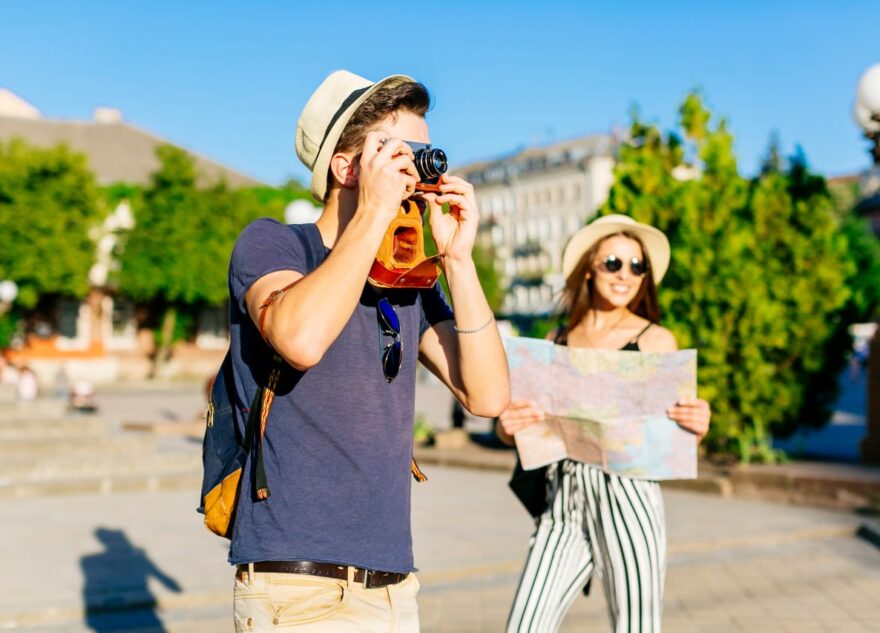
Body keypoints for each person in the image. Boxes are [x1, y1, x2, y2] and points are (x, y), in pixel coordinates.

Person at [226, 70, 510, 632]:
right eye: (395, 151)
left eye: (421, 153)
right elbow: (300, 340)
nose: (414, 167)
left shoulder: (407, 279)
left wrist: (458, 261)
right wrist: (376, 213)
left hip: (391, 587)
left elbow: (489, 394)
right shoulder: (277, 244)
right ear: (345, 166)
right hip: (298, 587)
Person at [497, 214, 711, 633]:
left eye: (637, 266)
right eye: (613, 262)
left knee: (636, 627)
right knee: (525, 626)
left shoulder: (654, 339)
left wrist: (697, 424)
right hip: (564, 501)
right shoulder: (556, 339)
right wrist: (509, 427)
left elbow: (675, 434)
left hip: (628, 496)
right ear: (589, 270)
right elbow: (520, 428)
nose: (625, 274)